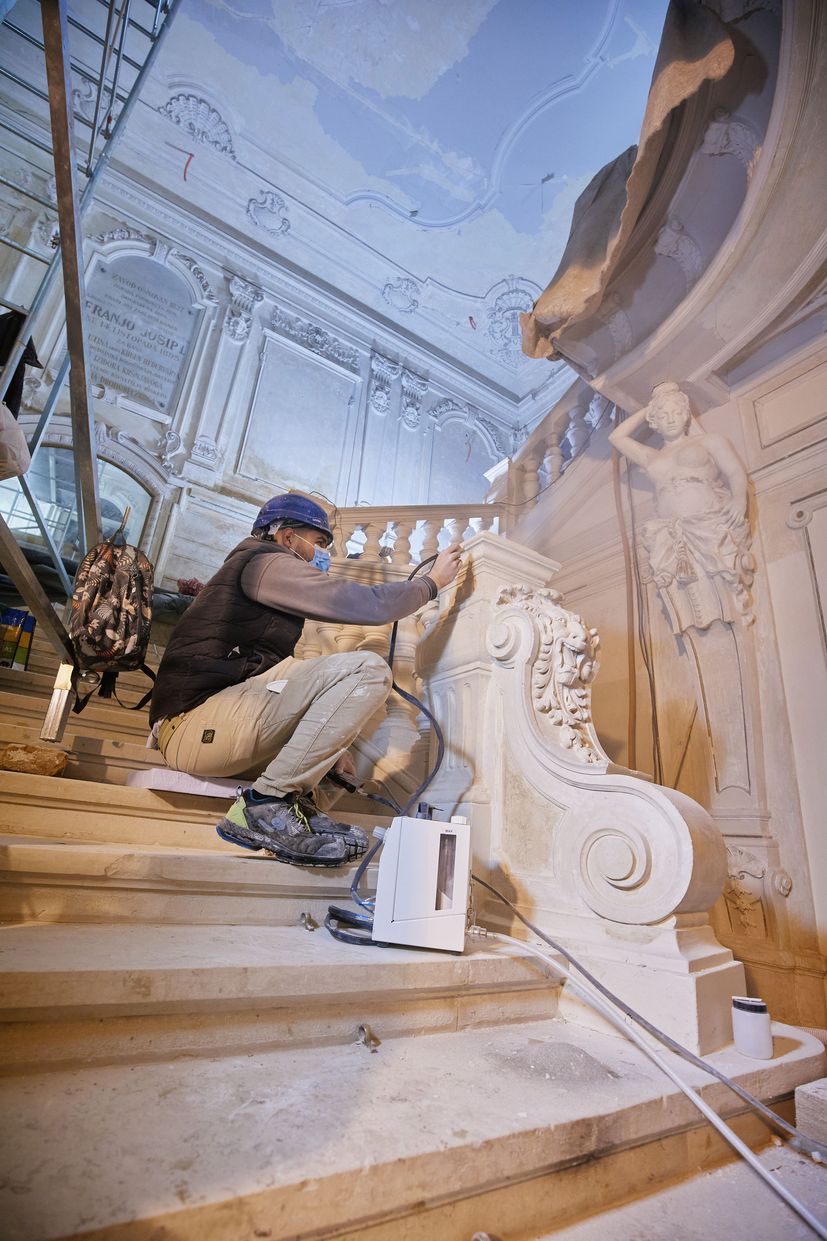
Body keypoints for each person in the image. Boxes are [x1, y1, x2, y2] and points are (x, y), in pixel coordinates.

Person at [149, 492, 462, 867]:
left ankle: (296, 815)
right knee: (366, 669)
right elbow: (364, 603)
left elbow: (275, 686)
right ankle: (267, 805)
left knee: (333, 740)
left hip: (216, 720)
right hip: (195, 725)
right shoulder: (265, 563)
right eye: (317, 543)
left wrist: (329, 745)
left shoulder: (260, 577)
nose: (321, 555)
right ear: (285, 538)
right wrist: (431, 583)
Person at [608, 381, 754, 631]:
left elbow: (735, 472)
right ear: (655, 421)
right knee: (690, 611)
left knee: (723, 600)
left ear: (686, 415)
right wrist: (650, 407)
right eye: (663, 415)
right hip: (672, 534)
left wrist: (740, 499)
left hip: (709, 526)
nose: (671, 419)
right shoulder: (651, 456)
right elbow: (616, 437)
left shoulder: (710, 441)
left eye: (677, 412)